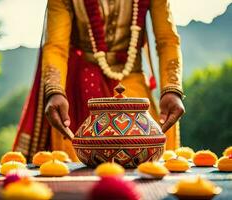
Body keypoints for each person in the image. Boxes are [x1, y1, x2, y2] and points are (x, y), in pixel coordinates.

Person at [13, 0, 185, 162]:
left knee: (149, 154)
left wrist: (172, 89)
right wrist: (55, 91)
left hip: (131, 76)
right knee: (76, 164)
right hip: (82, 86)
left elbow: (167, 40)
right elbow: (56, 46)